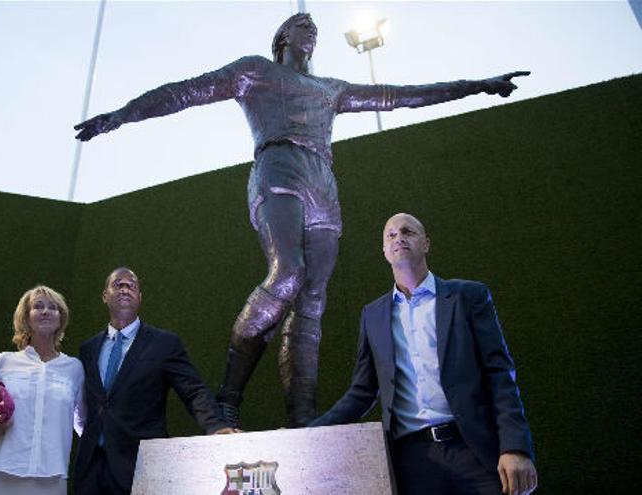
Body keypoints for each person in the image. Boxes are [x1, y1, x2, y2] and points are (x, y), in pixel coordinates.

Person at [74, 13, 530, 428]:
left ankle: (303, 416)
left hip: (322, 182)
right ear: (282, 38)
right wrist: (120, 117)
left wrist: (478, 85)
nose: (312, 32)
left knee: (313, 298)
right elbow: (185, 92)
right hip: (278, 167)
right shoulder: (257, 70)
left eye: (315, 29)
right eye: (302, 26)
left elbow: (400, 96)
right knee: (288, 272)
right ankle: (229, 395)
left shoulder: (331, 89)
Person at [310, 213, 537, 495]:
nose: (399, 237)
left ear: (426, 243)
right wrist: (308, 433)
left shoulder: (468, 296)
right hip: (413, 462)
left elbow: (499, 373)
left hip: (475, 450)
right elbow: (361, 392)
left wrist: (515, 446)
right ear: (384, 251)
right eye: (390, 235)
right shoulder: (373, 315)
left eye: (408, 231)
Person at [72, 267, 235, 495]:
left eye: (132, 285)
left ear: (140, 297)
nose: (125, 288)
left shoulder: (164, 344)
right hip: (91, 468)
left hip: (140, 464)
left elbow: (193, 390)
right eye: (117, 284)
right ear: (105, 296)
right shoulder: (87, 349)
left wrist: (217, 426)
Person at [0, 285, 85, 495]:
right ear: (26, 317)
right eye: (38, 306)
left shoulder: (74, 368)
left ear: (61, 318)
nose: (46, 311)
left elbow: (83, 424)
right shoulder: (3, 362)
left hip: (50, 478)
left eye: (53, 307)